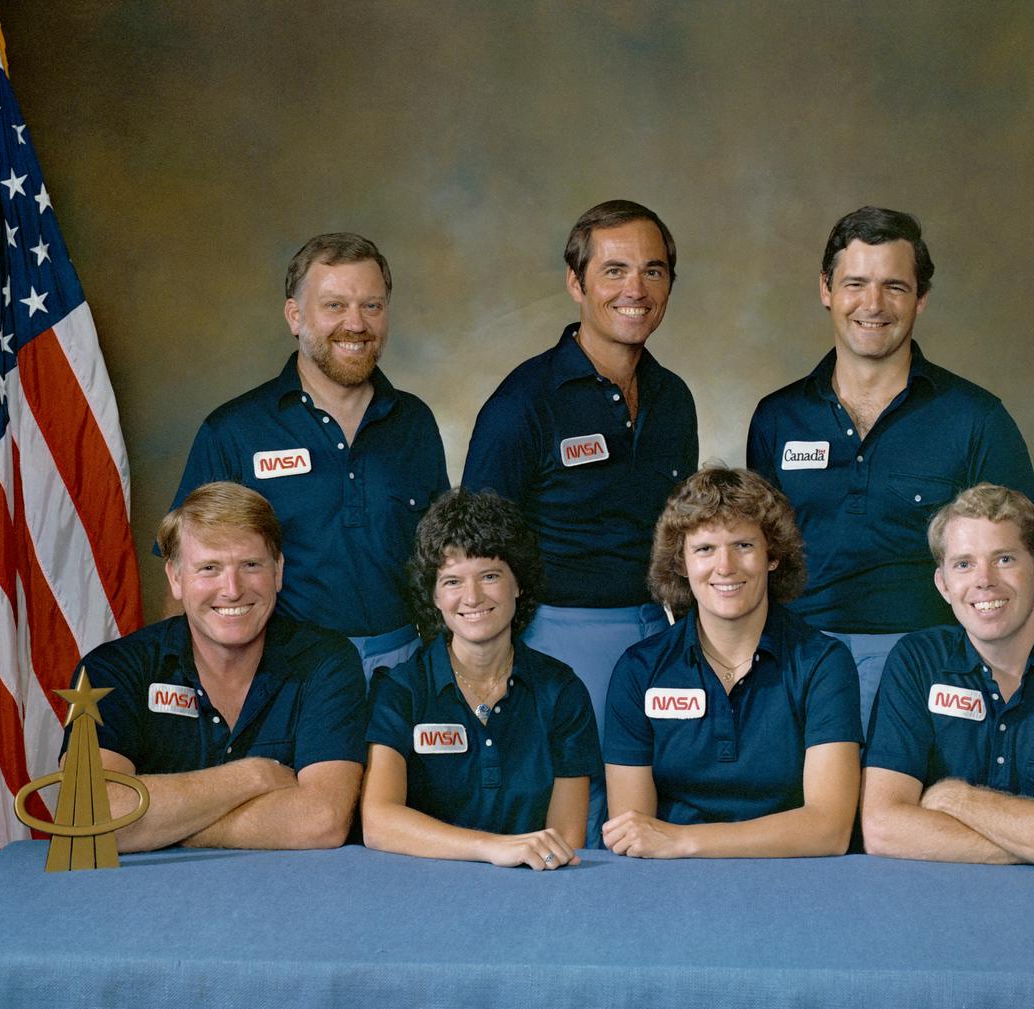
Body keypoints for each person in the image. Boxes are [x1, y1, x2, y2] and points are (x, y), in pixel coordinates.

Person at [747, 207, 1034, 731]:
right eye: (855, 283)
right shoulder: (777, 417)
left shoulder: (975, 419)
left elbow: (1019, 563)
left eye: (895, 287)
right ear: (826, 289)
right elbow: (756, 556)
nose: (873, 305)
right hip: (797, 663)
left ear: (920, 298)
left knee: (911, 812)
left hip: (932, 664)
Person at [462, 200, 698, 841]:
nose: (636, 290)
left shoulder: (674, 399)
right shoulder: (523, 404)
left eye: (654, 272)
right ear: (577, 282)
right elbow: (474, 548)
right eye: (615, 270)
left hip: (660, 632)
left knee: (654, 810)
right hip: (555, 635)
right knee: (578, 816)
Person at [166, 233, 449, 679]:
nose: (356, 324)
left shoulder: (414, 422)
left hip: (405, 667)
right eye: (334, 305)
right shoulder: (235, 431)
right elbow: (187, 578)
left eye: (371, 306)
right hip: (284, 673)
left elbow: (442, 558)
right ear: (295, 316)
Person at [63, 482, 367, 853]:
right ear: (175, 577)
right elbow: (87, 812)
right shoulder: (112, 670)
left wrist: (157, 826)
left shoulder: (327, 662)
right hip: (146, 901)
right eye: (209, 568)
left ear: (278, 571)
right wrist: (252, 776)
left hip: (294, 897)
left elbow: (321, 822)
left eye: (250, 565)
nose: (232, 589)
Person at [861, 484, 1034, 876]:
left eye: (1004, 559)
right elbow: (882, 829)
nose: (984, 581)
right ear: (943, 585)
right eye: (963, 564)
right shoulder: (916, 663)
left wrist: (954, 798)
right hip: (930, 905)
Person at [602, 467, 861, 858]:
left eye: (743, 545)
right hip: (673, 883)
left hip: (793, 876)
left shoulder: (823, 663)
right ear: (680, 563)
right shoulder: (639, 670)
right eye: (705, 549)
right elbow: (633, 832)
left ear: (773, 556)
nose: (725, 567)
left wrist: (685, 840)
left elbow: (829, 829)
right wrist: (672, 845)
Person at [362, 489, 601, 870]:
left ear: (518, 584)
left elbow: (564, 841)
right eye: (452, 581)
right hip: (420, 888)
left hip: (532, 886)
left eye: (490, 576)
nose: (471, 597)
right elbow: (377, 822)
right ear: (434, 596)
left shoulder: (562, 691)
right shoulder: (401, 689)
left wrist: (516, 858)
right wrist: (492, 848)